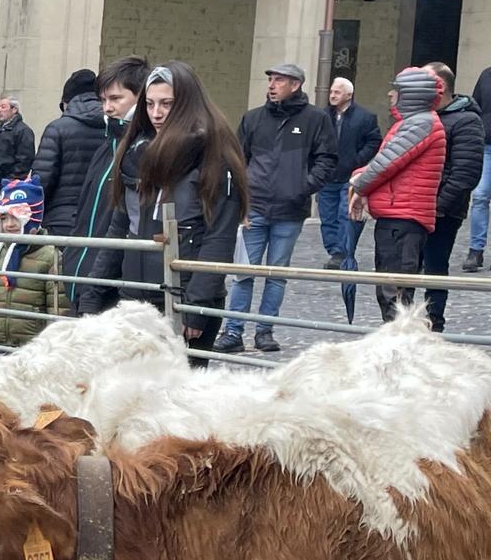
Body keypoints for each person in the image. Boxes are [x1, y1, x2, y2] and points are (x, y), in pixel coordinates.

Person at [103, 62, 246, 355]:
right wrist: (95, 288)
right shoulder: (134, 152)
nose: (156, 113)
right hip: (136, 295)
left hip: (185, 294)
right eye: (151, 103)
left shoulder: (215, 156)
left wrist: (195, 308)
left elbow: (219, 237)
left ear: (185, 104)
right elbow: (121, 226)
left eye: (167, 104)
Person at [214, 62, 338, 353]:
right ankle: (233, 331)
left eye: (279, 80)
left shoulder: (315, 119)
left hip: (290, 211)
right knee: (244, 272)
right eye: (270, 80)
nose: (271, 85)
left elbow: (327, 159)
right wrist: (238, 202)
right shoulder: (253, 119)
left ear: (295, 85)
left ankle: (264, 331)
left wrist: (303, 186)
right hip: (253, 208)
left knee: (276, 273)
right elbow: (235, 161)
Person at [349, 67, 446, 323]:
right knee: (390, 290)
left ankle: (400, 350)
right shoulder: (412, 123)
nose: (391, 94)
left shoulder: (421, 123)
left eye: (397, 90)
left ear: (410, 95)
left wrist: (359, 185)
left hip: (403, 219)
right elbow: (382, 161)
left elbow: (386, 164)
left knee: (395, 295)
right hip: (399, 218)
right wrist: (360, 178)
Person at [67, 57, 150, 315]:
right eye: (103, 100)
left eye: (115, 99)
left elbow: (125, 224)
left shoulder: (142, 151)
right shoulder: (106, 146)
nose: (107, 108)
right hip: (84, 270)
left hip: (114, 282)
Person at [421, 63, 483, 334]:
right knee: (405, 270)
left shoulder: (467, 120)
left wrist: (438, 207)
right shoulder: (418, 116)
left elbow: (466, 173)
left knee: (435, 268)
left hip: (442, 212)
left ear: (440, 86)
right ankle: (402, 326)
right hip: (411, 208)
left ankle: (433, 325)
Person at [0, 177, 62, 350]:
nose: (9, 224)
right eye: (4, 218)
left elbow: (57, 305)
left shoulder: (49, 256)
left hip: (30, 347)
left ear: (31, 219)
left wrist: (55, 346)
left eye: (16, 218)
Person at [320, 77, 381, 322]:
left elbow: (374, 142)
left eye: (337, 92)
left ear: (348, 95)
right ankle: (334, 250)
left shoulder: (365, 118)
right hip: (326, 174)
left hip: (349, 174)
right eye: (331, 91)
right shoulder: (323, 116)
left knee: (344, 214)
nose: (332, 95)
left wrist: (358, 160)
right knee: (327, 216)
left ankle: (344, 252)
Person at [34, 69, 108, 235]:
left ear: (67, 101)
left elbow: (42, 181)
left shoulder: (58, 128)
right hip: (102, 218)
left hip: (62, 217)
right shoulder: (117, 128)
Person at [467, 62, 491, 272]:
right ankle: (476, 250)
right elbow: (475, 106)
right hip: (487, 146)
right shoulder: (487, 75)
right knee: (481, 195)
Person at [0, 94, 35, 190]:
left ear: (14, 109)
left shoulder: (23, 131)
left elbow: (24, 162)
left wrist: (8, 182)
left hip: (6, 186)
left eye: (3, 107)